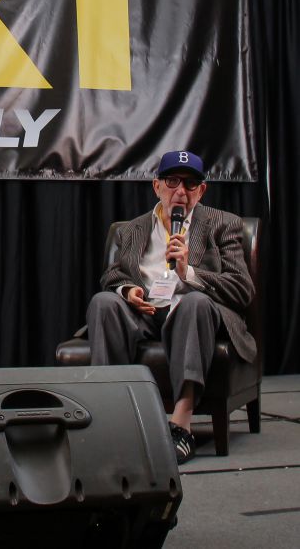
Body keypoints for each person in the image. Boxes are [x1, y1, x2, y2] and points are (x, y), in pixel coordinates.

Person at [86, 150, 255, 465]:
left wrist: (187, 273)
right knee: (104, 302)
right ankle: (115, 422)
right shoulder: (131, 229)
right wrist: (128, 289)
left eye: (190, 184)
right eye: (173, 181)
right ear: (157, 186)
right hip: (145, 312)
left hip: (191, 312)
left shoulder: (222, 224)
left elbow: (242, 289)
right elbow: (113, 273)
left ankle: (181, 424)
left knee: (194, 303)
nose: (181, 191)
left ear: (201, 191)